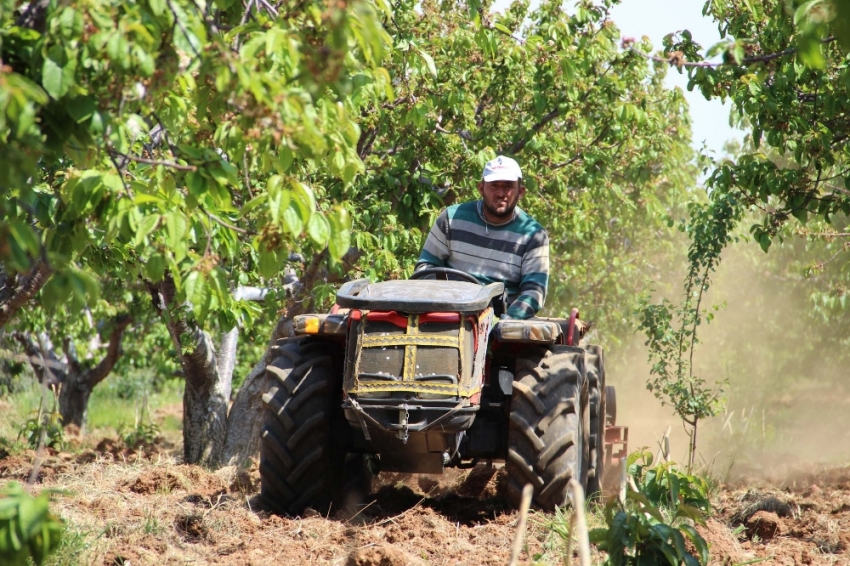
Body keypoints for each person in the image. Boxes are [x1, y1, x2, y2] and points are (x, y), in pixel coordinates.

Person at [415, 156, 549, 320]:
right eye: (494, 186)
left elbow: (534, 291)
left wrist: (507, 322)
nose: (500, 193)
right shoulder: (451, 218)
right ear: (481, 188)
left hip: (501, 322)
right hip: (447, 314)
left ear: (520, 192)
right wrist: (441, 303)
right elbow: (425, 268)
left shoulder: (533, 234)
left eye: (508, 186)